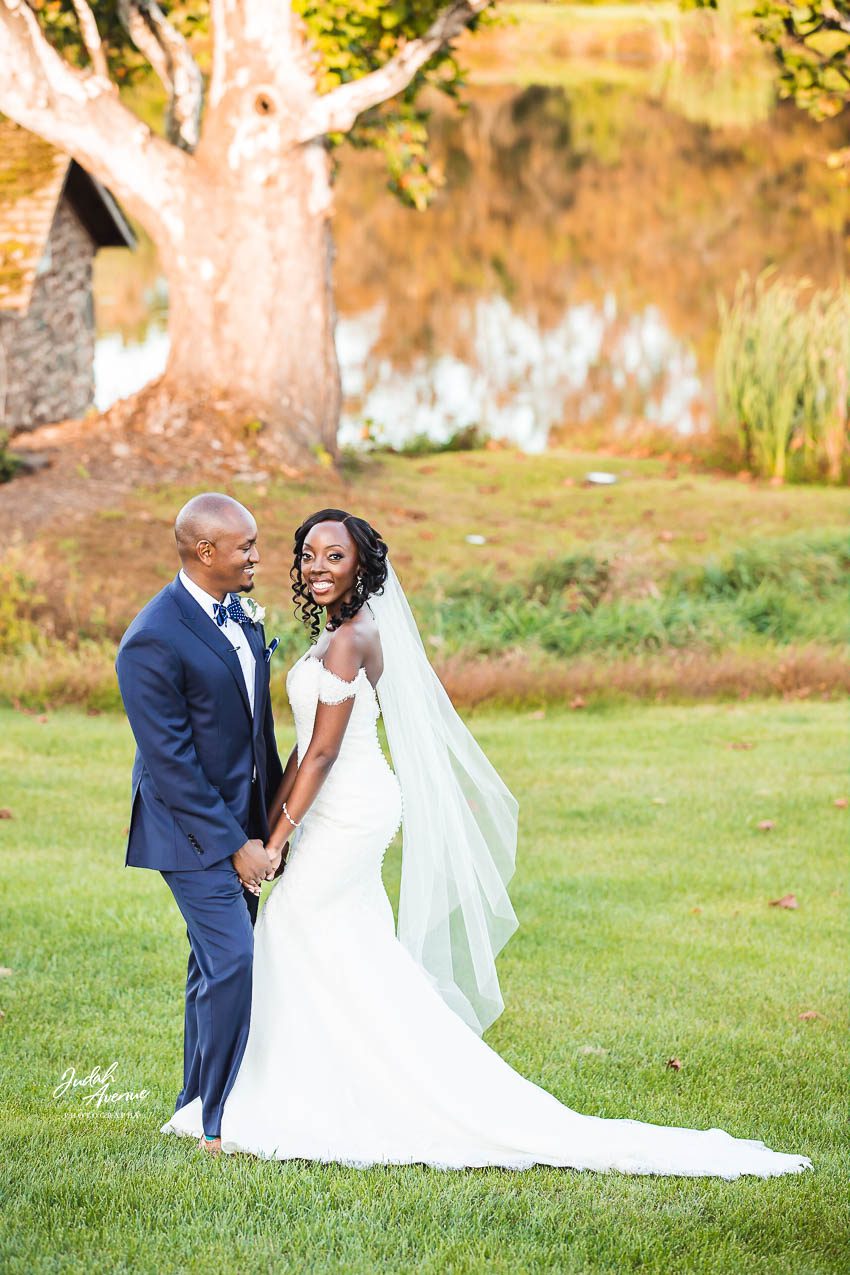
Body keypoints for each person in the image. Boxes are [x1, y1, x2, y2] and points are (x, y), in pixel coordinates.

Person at [161, 507, 811, 1178]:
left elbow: (324, 755)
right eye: (309, 555)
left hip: (350, 807)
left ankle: (325, 1091)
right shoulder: (332, 634)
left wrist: (275, 842)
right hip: (328, 806)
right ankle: (314, 1078)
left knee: (294, 923)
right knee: (336, 940)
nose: (318, 567)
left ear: (362, 567)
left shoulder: (356, 635)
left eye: (336, 557)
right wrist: (270, 831)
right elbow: (304, 743)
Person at [116, 493, 283, 1156]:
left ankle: (192, 1101)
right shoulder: (150, 638)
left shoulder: (238, 614)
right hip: (187, 831)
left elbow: (253, 729)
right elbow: (172, 765)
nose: (256, 556)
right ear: (206, 552)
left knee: (209, 962)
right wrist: (235, 845)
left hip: (243, 820)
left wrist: (269, 823)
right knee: (235, 959)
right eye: (245, 546)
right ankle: (218, 1120)